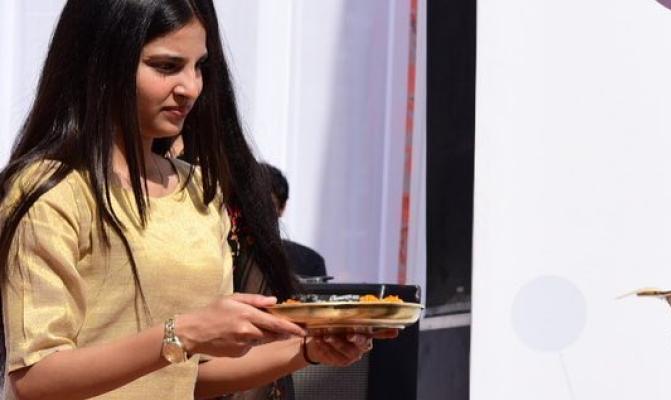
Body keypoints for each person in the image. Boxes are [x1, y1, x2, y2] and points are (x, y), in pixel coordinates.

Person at [0, 1, 389, 399]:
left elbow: (190, 373)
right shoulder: (51, 190)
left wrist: (307, 349)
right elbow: (35, 378)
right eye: (166, 66)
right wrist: (184, 332)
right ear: (102, 63)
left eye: (199, 66)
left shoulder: (198, 190)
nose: (191, 87)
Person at [259, 163, 327, 279]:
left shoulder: (309, 263)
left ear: (282, 208)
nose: (257, 212)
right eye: (251, 204)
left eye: (267, 205)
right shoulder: (228, 258)